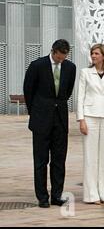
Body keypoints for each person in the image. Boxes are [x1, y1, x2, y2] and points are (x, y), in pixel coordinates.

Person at [23, 39, 76, 208]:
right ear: (53, 51)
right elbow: (28, 90)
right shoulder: (37, 65)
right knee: (41, 160)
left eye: (64, 57)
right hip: (41, 118)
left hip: (60, 118)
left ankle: (56, 195)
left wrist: (57, 105)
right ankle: (42, 197)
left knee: (59, 159)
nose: (61, 60)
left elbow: (67, 91)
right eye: (59, 56)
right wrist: (36, 111)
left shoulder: (70, 67)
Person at [77, 44, 104, 204]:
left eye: (96, 53)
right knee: (90, 156)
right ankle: (92, 195)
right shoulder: (85, 73)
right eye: (92, 53)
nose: (93, 56)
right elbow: (80, 97)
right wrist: (81, 119)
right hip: (90, 116)